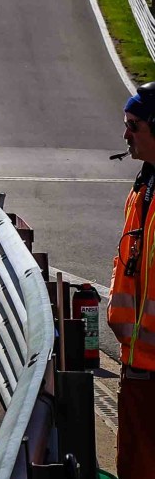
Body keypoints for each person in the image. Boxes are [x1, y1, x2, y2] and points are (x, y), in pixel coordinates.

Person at [111, 86, 155, 478]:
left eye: (134, 125)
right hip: (137, 364)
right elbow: (126, 260)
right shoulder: (143, 187)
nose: (126, 135)